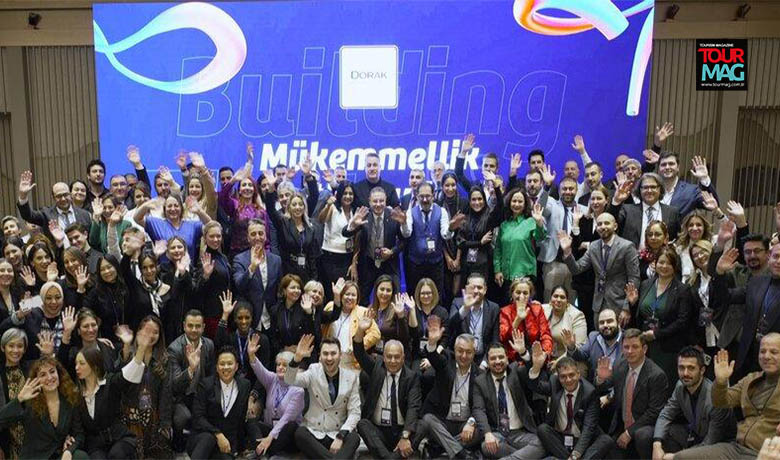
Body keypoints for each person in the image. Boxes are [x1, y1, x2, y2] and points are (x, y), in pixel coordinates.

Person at [674, 335, 780, 459]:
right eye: (762, 351)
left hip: (766, 453)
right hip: (737, 448)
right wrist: (720, 381)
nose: (766, 356)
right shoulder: (750, 379)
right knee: (681, 457)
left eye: (774, 352)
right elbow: (721, 402)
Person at [74, 327, 155, 459]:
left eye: (82, 363)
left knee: (116, 455)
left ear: (94, 365)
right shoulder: (78, 394)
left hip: (119, 438)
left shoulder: (109, 382)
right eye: (76, 363)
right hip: (96, 445)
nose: (77, 367)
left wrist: (141, 348)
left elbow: (129, 374)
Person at [641, 347, 735, 460]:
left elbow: (711, 442)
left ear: (702, 370)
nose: (685, 373)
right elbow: (666, 415)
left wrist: (677, 457)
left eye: (691, 368)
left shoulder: (714, 398)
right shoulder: (680, 385)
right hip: (695, 434)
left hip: (718, 447)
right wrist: (657, 445)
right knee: (646, 434)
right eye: (681, 368)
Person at [526, 345, 614, 460]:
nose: (568, 380)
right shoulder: (555, 383)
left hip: (582, 439)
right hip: (561, 438)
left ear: (578, 374)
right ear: (558, 377)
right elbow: (535, 386)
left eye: (571, 375)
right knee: (543, 429)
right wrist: (536, 368)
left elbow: (588, 429)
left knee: (606, 440)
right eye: (563, 377)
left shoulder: (590, 392)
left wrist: (576, 454)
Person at [354, 314, 422, 459]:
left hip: (402, 431)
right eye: (389, 357)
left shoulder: (411, 377)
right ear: (383, 357)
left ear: (403, 358)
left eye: (397, 357)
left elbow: (413, 407)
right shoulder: (376, 368)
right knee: (363, 424)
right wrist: (360, 330)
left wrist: (405, 436)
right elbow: (359, 353)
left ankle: (386, 457)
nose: (392, 361)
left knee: (424, 424)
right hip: (379, 431)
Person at [625, 245, 694, 385]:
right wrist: (633, 304)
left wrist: (657, 334)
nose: (664, 266)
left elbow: (682, 322)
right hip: (645, 345)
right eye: (661, 262)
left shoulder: (682, 290)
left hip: (667, 348)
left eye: (669, 263)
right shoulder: (646, 284)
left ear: (675, 266)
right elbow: (639, 316)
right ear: (655, 264)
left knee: (662, 386)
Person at [285, 335, 362, 459]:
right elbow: (289, 380)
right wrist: (296, 358)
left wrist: (341, 436)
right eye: (325, 354)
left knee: (354, 438)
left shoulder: (351, 377)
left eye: (333, 353)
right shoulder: (313, 371)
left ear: (340, 355)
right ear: (320, 356)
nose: (329, 358)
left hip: (337, 434)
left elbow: (355, 412)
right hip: (314, 434)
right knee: (300, 433)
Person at [596, 328, 668, 459]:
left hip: (644, 428)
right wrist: (601, 379)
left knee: (642, 435)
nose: (630, 351)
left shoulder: (656, 375)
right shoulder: (619, 365)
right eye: (626, 347)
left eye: (635, 347)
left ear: (644, 349)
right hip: (621, 425)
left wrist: (629, 433)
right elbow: (607, 387)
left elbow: (654, 412)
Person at [560, 212, 640, 327]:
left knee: (619, 337)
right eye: (599, 224)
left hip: (619, 303)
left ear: (615, 226)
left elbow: (634, 278)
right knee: (599, 336)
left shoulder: (627, 246)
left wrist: (626, 308)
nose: (602, 227)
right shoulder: (593, 246)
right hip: (598, 304)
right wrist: (567, 252)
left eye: (606, 223)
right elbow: (577, 269)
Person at [0, 356, 89, 460]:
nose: (49, 377)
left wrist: (69, 450)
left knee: (80, 456)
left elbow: (79, 434)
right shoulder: (29, 402)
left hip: (59, 455)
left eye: (52, 372)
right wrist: (19, 399)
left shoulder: (70, 400)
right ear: (36, 380)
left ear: (58, 373)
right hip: (34, 457)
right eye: (43, 375)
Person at [415, 327, 483, 460]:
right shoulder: (446, 362)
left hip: (464, 425)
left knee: (482, 429)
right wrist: (432, 344)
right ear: (454, 350)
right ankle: (462, 455)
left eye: (468, 352)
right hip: (442, 422)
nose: (464, 356)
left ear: (474, 352)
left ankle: (440, 450)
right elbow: (435, 358)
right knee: (428, 419)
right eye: (460, 351)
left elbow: (480, 405)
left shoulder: (480, 375)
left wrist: (471, 422)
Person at [714, 244, 780, 380]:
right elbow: (726, 297)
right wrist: (720, 273)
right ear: (769, 257)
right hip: (747, 357)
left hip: (775, 360)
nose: (778, 261)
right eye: (776, 256)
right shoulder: (757, 282)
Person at [473, 343, 545, 459]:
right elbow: (478, 410)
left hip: (520, 433)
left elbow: (530, 370)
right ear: (488, 361)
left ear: (507, 359)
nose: (497, 361)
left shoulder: (517, 372)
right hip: (497, 433)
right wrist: (487, 433)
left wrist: (524, 353)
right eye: (493, 358)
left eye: (501, 357)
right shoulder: (480, 381)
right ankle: (527, 456)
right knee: (486, 447)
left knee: (542, 443)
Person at [116, 316, 173, 459]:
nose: (151, 336)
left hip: (153, 415)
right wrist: (126, 347)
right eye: (147, 331)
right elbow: (120, 380)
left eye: (155, 332)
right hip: (130, 414)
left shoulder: (164, 358)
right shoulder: (128, 352)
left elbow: (166, 392)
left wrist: (165, 424)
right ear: (139, 331)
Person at [342, 187, 406, 303]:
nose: (378, 204)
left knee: (394, 301)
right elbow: (345, 233)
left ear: (386, 201)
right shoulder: (364, 215)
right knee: (362, 300)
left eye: (381, 201)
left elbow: (404, 241)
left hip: (389, 265)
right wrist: (353, 225)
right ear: (369, 201)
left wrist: (392, 251)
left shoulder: (394, 216)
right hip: (368, 265)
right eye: (375, 201)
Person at [188, 346, 252, 459]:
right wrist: (218, 434)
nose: (226, 367)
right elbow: (198, 418)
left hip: (226, 445)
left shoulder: (244, 386)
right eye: (222, 364)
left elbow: (241, 420)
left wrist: (241, 447)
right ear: (217, 367)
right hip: (202, 438)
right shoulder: (205, 385)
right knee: (208, 439)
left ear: (236, 366)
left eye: (230, 363)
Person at [401, 182, 463, 298]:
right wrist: (403, 223)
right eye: (421, 196)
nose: (425, 199)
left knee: (436, 295)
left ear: (433, 196)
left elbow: (445, 235)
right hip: (415, 263)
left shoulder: (441, 211)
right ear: (417, 196)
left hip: (436, 264)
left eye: (428, 196)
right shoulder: (410, 212)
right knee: (416, 295)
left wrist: (451, 228)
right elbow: (406, 233)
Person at [246, 337, 304, 458]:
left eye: (285, 365)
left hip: (286, 436)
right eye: (278, 364)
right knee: (251, 420)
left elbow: (287, 418)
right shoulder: (273, 379)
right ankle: (263, 453)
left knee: (291, 425)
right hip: (271, 429)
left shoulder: (298, 389)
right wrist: (251, 355)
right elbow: (259, 369)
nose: (280, 367)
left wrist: (270, 437)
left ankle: (262, 452)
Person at [167, 309, 215, 452]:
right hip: (181, 396)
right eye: (190, 325)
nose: (194, 330)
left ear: (203, 327)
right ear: (184, 326)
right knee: (182, 417)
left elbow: (211, 375)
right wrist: (191, 369)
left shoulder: (209, 345)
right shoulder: (174, 349)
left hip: (201, 393)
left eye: (198, 326)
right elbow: (175, 385)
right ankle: (177, 442)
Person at [261, 168, 321, 283]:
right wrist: (271, 187)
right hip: (287, 270)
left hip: (306, 270)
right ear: (290, 206)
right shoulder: (282, 221)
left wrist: (308, 175)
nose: (297, 207)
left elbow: (314, 196)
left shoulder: (309, 227)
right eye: (294, 205)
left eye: (300, 205)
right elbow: (270, 208)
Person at [537, 176, 589, 302]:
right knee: (550, 301)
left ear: (576, 190)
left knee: (570, 303)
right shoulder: (552, 204)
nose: (567, 191)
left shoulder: (584, 210)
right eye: (564, 189)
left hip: (574, 264)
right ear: (559, 191)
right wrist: (547, 187)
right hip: (553, 263)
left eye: (571, 189)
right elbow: (540, 206)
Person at [218, 145, 271, 257]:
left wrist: (267, 256)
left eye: (250, 185)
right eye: (244, 185)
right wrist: (233, 181)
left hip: (257, 254)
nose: (247, 187)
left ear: (254, 189)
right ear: (240, 190)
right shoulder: (235, 205)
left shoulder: (261, 211)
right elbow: (222, 198)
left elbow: (266, 239)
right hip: (237, 255)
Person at [231, 218, 282, 333]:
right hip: (250, 320)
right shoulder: (239, 259)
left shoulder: (276, 260)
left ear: (265, 236)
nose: (257, 237)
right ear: (248, 238)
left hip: (271, 319)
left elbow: (280, 290)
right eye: (253, 234)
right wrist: (252, 267)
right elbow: (239, 286)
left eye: (260, 233)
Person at [570, 186, 610, 330]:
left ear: (606, 200)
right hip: (584, 277)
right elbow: (576, 246)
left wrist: (588, 244)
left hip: (603, 276)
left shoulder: (610, 220)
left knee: (601, 318)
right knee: (584, 317)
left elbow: (609, 243)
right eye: (592, 199)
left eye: (599, 198)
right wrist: (575, 224)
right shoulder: (583, 220)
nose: (595, 202)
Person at [608, 172, 681, 251]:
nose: (649, 190)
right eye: (645, 187)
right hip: (632, 257)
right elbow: (610, 223)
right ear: (640, 190)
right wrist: (616, 201)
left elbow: (678, 237)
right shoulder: (627, 210)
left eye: (653, 187)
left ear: (660, 189)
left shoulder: (672, 212)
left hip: (662, 257)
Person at [16, 170, 92, 245]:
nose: (63, 199)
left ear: (70, 194)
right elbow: (28, 216)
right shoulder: (46, 214)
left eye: (65, 195)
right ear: (53, 197)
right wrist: (23, 196)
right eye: (59, 196)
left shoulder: (84, 215)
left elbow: (90, 240)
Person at [494, 188, 546, 295]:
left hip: (525, 274)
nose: (516, 204)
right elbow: (498, 249)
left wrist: (539, 222)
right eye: (514, 201)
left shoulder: (531, 221)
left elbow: (540, 237)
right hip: (506, 276)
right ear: (509, 203)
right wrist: (497, 270)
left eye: (520, 201)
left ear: (525, 204)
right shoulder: (504, 225)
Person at [455, 181, 503, 294]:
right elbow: (460, 242)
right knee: (467, 295)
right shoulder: (465, 218)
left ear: (484, 200)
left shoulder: (489, 217)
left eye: (480, 199)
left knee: (482, 294)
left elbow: (500, 206)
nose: (477, 202)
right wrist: (479, 243)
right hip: (467, 264)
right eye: (474, 199)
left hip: (485, 264)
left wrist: (496, 187)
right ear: (469, 201)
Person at [320, 280, 380, 370]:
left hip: (349, 360)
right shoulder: (331, 306)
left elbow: (376, 334)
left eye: (353, 295)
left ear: (357, 298)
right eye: (347, 294)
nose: (350, 298)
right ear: (341, 295)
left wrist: (357, 346)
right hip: (328, 356)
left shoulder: (362, 312)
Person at [642, 150, 719, 218]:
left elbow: (713, 203)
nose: (667, 167)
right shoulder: (651, 190)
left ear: (678, 167)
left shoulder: (691, 191)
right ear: (659, 168)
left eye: (671, 164)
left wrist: (704, 178)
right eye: (663, 164)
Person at [0, 281, 66, 361]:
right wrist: (19, 315)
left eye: (58, 297)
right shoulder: (31, 315)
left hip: (62, 366)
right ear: (42, 299)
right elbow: (2, 328)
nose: (53, 302)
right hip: (33, 366)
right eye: (48, 298)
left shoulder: (68, 317)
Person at [134, 193, 211, 260]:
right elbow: (137, 218)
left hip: (188, 270)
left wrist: (200, 212)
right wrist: (146, 206)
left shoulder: (192, 225)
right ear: (164, 209)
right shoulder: (156, 224)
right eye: (169, 206)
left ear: (181, 208)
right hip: (164, 270)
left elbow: (211, 226)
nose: (173, 209)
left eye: (176, 206)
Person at [317, 181, 358, 300]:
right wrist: (327, 205)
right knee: (331, 294)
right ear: (339, 194)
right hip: (330, 257)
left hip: (347, 257)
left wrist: (354, 261)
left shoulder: (355, 211)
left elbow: (357, 237)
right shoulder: (333, 207)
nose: (348, 196)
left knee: (345, 293)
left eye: (350, 193)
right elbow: (321, 220)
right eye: (345, 193)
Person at [448, 273, 500, 364]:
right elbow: (450, 327)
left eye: (479, 288)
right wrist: (465, 308)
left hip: (483, 358)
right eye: (472, 288)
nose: (476, 291)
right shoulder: (458, 303)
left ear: (485, 290)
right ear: (466, 289)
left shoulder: (493, 308)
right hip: (461, 357)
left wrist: (485, 363)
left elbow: (494, 340)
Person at [498, 278, 553, 363]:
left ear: (530, 295)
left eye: (525, 293)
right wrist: (518, 319)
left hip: (536, 354)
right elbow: (503, 338)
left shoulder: (537, 309)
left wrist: (543, 353)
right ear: (512, 294)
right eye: (518, 292)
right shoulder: (505, 311)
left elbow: (546, 335)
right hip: (513, 357)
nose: (521, 296)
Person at [564, 309, 624, 382]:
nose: (605, 325)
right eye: (601, 322)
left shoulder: (626, 339)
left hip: (620, 385)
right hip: (598, 384)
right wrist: (571, 346)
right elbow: (580, 355)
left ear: (618, 322)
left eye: (609, 321)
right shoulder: (593, 337)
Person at [437, 172, 468, 307]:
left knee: (458, 293)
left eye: (453, 185)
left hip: (461, 252)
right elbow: (438, 234)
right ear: (442, 186)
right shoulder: (437, 204)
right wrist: (448, 258)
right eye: (447, 185)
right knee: (446, 293)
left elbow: (464, 232)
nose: (450, 188)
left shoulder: (464, 203)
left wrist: (457, 259)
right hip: (443, 254)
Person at [0, 328, 29, 459]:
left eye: (20, 346)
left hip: (34, 439)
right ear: (3, 348)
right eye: (11, 346)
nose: (15, 350)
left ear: (25, 349)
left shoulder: (31, 369)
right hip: (7, 441)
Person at [83, 255, 127, 339]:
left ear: (116, 267)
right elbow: (84, 311)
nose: (106, 271)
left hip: (130, 337)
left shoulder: (126, 286)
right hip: (107, 340)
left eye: (109, 267)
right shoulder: (95, 292)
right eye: (102, 269)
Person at [542, 285, 587, 360]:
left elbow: (580, 347)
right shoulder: (543, 309)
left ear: (567, 302)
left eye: (562, 297)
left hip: (567, 359)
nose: (558, 300)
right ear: (550, 299)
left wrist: (558, 362)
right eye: (555, 296)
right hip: (544, 356)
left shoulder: (577, 316)